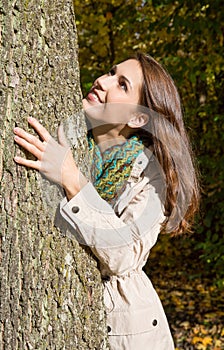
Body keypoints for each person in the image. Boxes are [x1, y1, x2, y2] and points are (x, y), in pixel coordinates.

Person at [13, 53, 199, 349]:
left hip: (125, 328)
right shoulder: (70, 137)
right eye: (110, 72)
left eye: (122, 84)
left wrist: (72, 179)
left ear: (138, 118)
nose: (102, 81)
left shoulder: (152, 176)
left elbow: (125, 253)